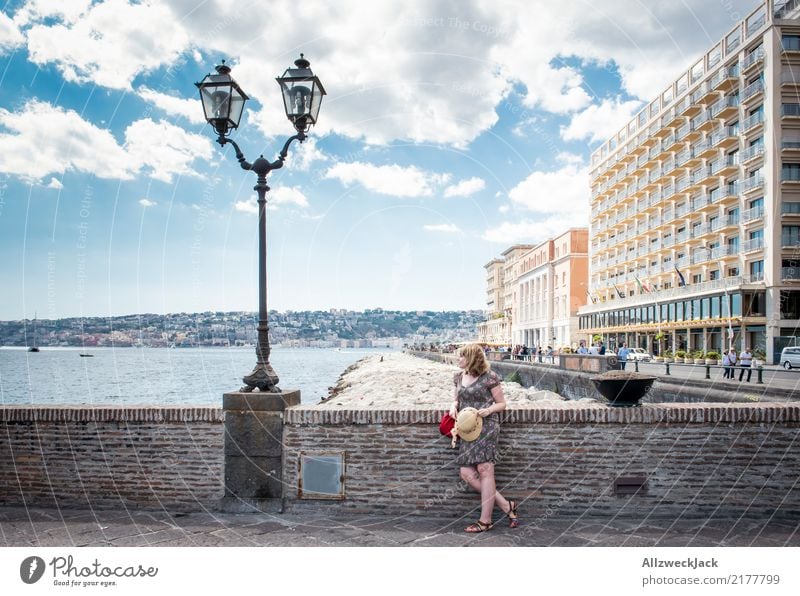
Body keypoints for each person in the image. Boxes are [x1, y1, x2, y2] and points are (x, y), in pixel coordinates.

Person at [449, 343, 518, 533]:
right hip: (467, 428)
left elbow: (502, 404)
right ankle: (506, 505)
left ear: (471, 358)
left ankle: (485, 520)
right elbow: (457, 398)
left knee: (485, 469)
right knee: (466, 473)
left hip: (487, 426)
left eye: (462, 356)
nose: (458, 359)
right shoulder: (458, 377)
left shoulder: (490, 377)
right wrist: (453, 406)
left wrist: (488, 410)